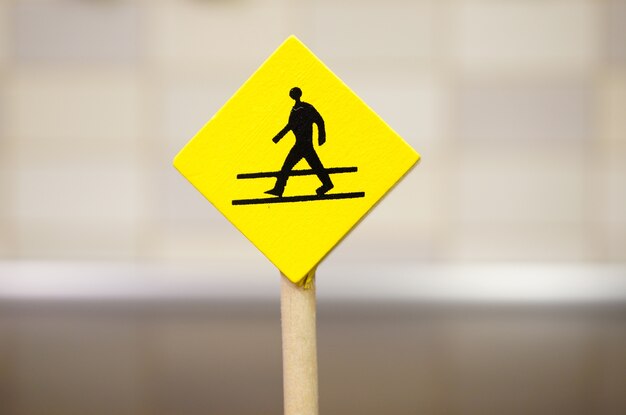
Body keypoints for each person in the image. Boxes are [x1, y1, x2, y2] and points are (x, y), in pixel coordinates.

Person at [265, 87, 334, 197]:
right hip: (301, 143)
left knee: (288, 166)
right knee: (315, 166)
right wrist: (278, 137)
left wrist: (321, 137)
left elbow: (319, 120)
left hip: (304, 144)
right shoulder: (295, 109)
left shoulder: (306, 108)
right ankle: (327, 184)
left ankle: (279, 189)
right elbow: (290, 125)